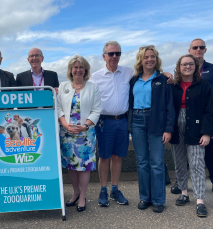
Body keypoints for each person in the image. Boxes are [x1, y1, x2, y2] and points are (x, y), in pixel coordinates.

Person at [90, 41, 173, 207]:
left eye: (117, 53)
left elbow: (165, 97)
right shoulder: (97, 77)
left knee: (123, 158)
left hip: (124, 121)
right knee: (109, 157)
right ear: (104, 56)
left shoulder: (129, 73)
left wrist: (168, 74)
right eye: (111, 53)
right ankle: (106, 191)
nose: (114, 57)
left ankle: (121, 191)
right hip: (108, 122)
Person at [128, 46, 175, 213]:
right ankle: (144, 197)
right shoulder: (134, 80)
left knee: (157, 162)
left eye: (152, 57)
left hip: (156, 122)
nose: (150, 60)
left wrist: (168, 129)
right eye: (146, 57)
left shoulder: (163, 79)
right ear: (141, 60)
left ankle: (158, 200)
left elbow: (169, 106)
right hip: (137, 121)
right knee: (142, 162)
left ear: (157, 59)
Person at [170, 54, 213, 217]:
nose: (187, 67)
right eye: (184, 64)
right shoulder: (173, 86)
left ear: (196, 67)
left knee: (197, 163)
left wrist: (207, 132)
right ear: (178, 67)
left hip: (196, 126)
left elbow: (210, 111)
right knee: (179, 161)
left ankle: (200, 200)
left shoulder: (204, 85)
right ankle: (184, 193)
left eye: (190, 64)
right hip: (176, 126)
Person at [57, 55, 101, 212]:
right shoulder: (63, 87)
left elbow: (97, 110)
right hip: (67, 133)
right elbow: (59, 108)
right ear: (70, 70)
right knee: (72, 165)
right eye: (75, 67)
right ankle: (75, 192)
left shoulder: (92, 87)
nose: (78, 70)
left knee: (84, 166)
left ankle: (82, 196)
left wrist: (85, 126)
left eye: (81, 67)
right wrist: (64, 124)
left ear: (85, 70)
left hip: (85, 134)